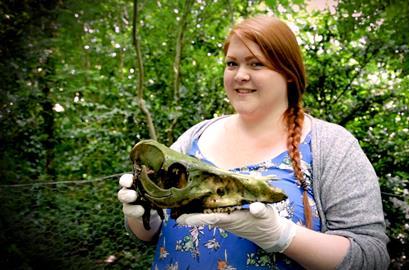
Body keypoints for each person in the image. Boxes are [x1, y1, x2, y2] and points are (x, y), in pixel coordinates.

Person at [118, 15, 389, 270]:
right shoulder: (195, 137)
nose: (239, 75)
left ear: (289, 73)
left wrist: (283, 236)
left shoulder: (331, 145)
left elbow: (372, 256)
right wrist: (142, 214)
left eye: (256, 64)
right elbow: (148, 234)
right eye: (232, 63)